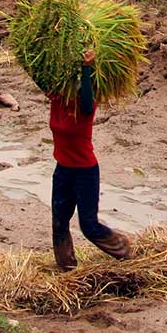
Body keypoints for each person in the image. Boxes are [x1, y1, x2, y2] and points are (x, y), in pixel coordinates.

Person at [47, 48, 134, 271]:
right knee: (59, 222)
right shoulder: (56, 99)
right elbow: (39, 74)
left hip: (85, 172)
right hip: (63, 171)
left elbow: (86, 98)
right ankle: (66, 268)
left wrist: (87, 68)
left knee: (89, 226)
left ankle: (125, 250)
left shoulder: (85, 108)